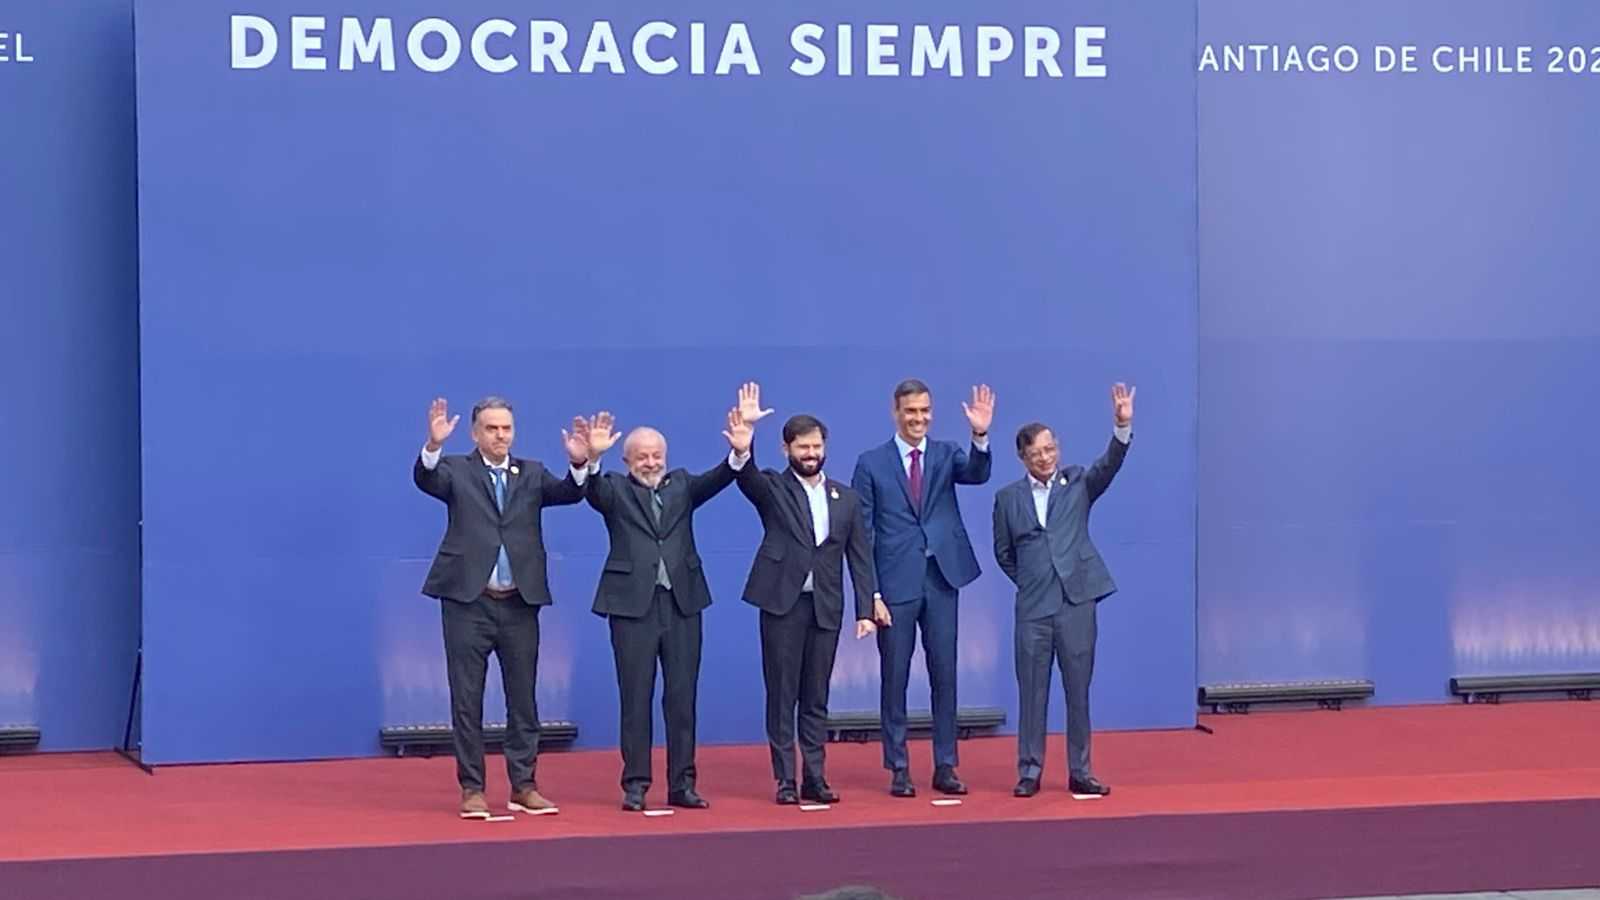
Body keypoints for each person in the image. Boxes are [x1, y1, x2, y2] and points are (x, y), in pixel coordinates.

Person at [412, 396, 591, 818]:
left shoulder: (530, 473)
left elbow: (569, 492)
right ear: (475, 433)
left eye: (506, 428)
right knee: (467, 698)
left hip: (519, 603)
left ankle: (523, 785)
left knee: (523, 698)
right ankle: (472, 788)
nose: (500, 436)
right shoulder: (455, 469)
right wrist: (433, 446)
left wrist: (581, 465)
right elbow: (426, 479)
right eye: (491, 429)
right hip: (467, 602)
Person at [727, 383, 890, 805]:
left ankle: (815, 776)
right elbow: (746, 480)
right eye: (803, 447)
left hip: (825, 608)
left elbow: (860, 557)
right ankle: (785, 780)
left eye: (817, 446)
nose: (811, 453)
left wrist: (866, 607)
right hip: (782, 604)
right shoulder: (773, 487)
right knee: (782, 695)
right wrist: (744, 443)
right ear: (786, 450)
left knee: (816, 697)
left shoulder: (846, 497)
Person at [579, 406, 748, 811]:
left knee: (681, 697)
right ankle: (636, 785)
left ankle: (682, 784)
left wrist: (740, 453)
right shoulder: (615, 489)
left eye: (657, 456)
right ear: (627, 461)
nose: (651, 463)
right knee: (635, 697)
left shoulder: (683, 485)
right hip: (631, 607)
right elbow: (590, 489)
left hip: (682, 604)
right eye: (642, 457)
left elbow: (721, 478)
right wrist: (593, 457)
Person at [850, 379, 994, 797]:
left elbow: (978, 474)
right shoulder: (871, 462)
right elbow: (864, 534)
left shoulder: (948, 453)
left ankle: (945, 765)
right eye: (911, 411)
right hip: (895, 584)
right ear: (896, 412)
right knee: (894, 676)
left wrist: (980, 435)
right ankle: (898, 767)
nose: (919, 419)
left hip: (941, 580)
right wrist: (871, 594)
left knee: (944, 674)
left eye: (925, 411)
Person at [992, 383, 1134, 799]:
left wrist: (1122, 426)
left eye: (1050, 449)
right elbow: (1004, 553)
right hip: (1033, 609)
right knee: (1032, 694)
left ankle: (1081, 770)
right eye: (1036, 453)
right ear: (1022, 458)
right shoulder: (1006, 499)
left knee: (1078, 692)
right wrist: (1033, 580)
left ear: (1058, 448)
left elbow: (1109, 465)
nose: (1045, 458)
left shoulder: (1078, 484)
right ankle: (1029, 771)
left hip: (1076, 604)